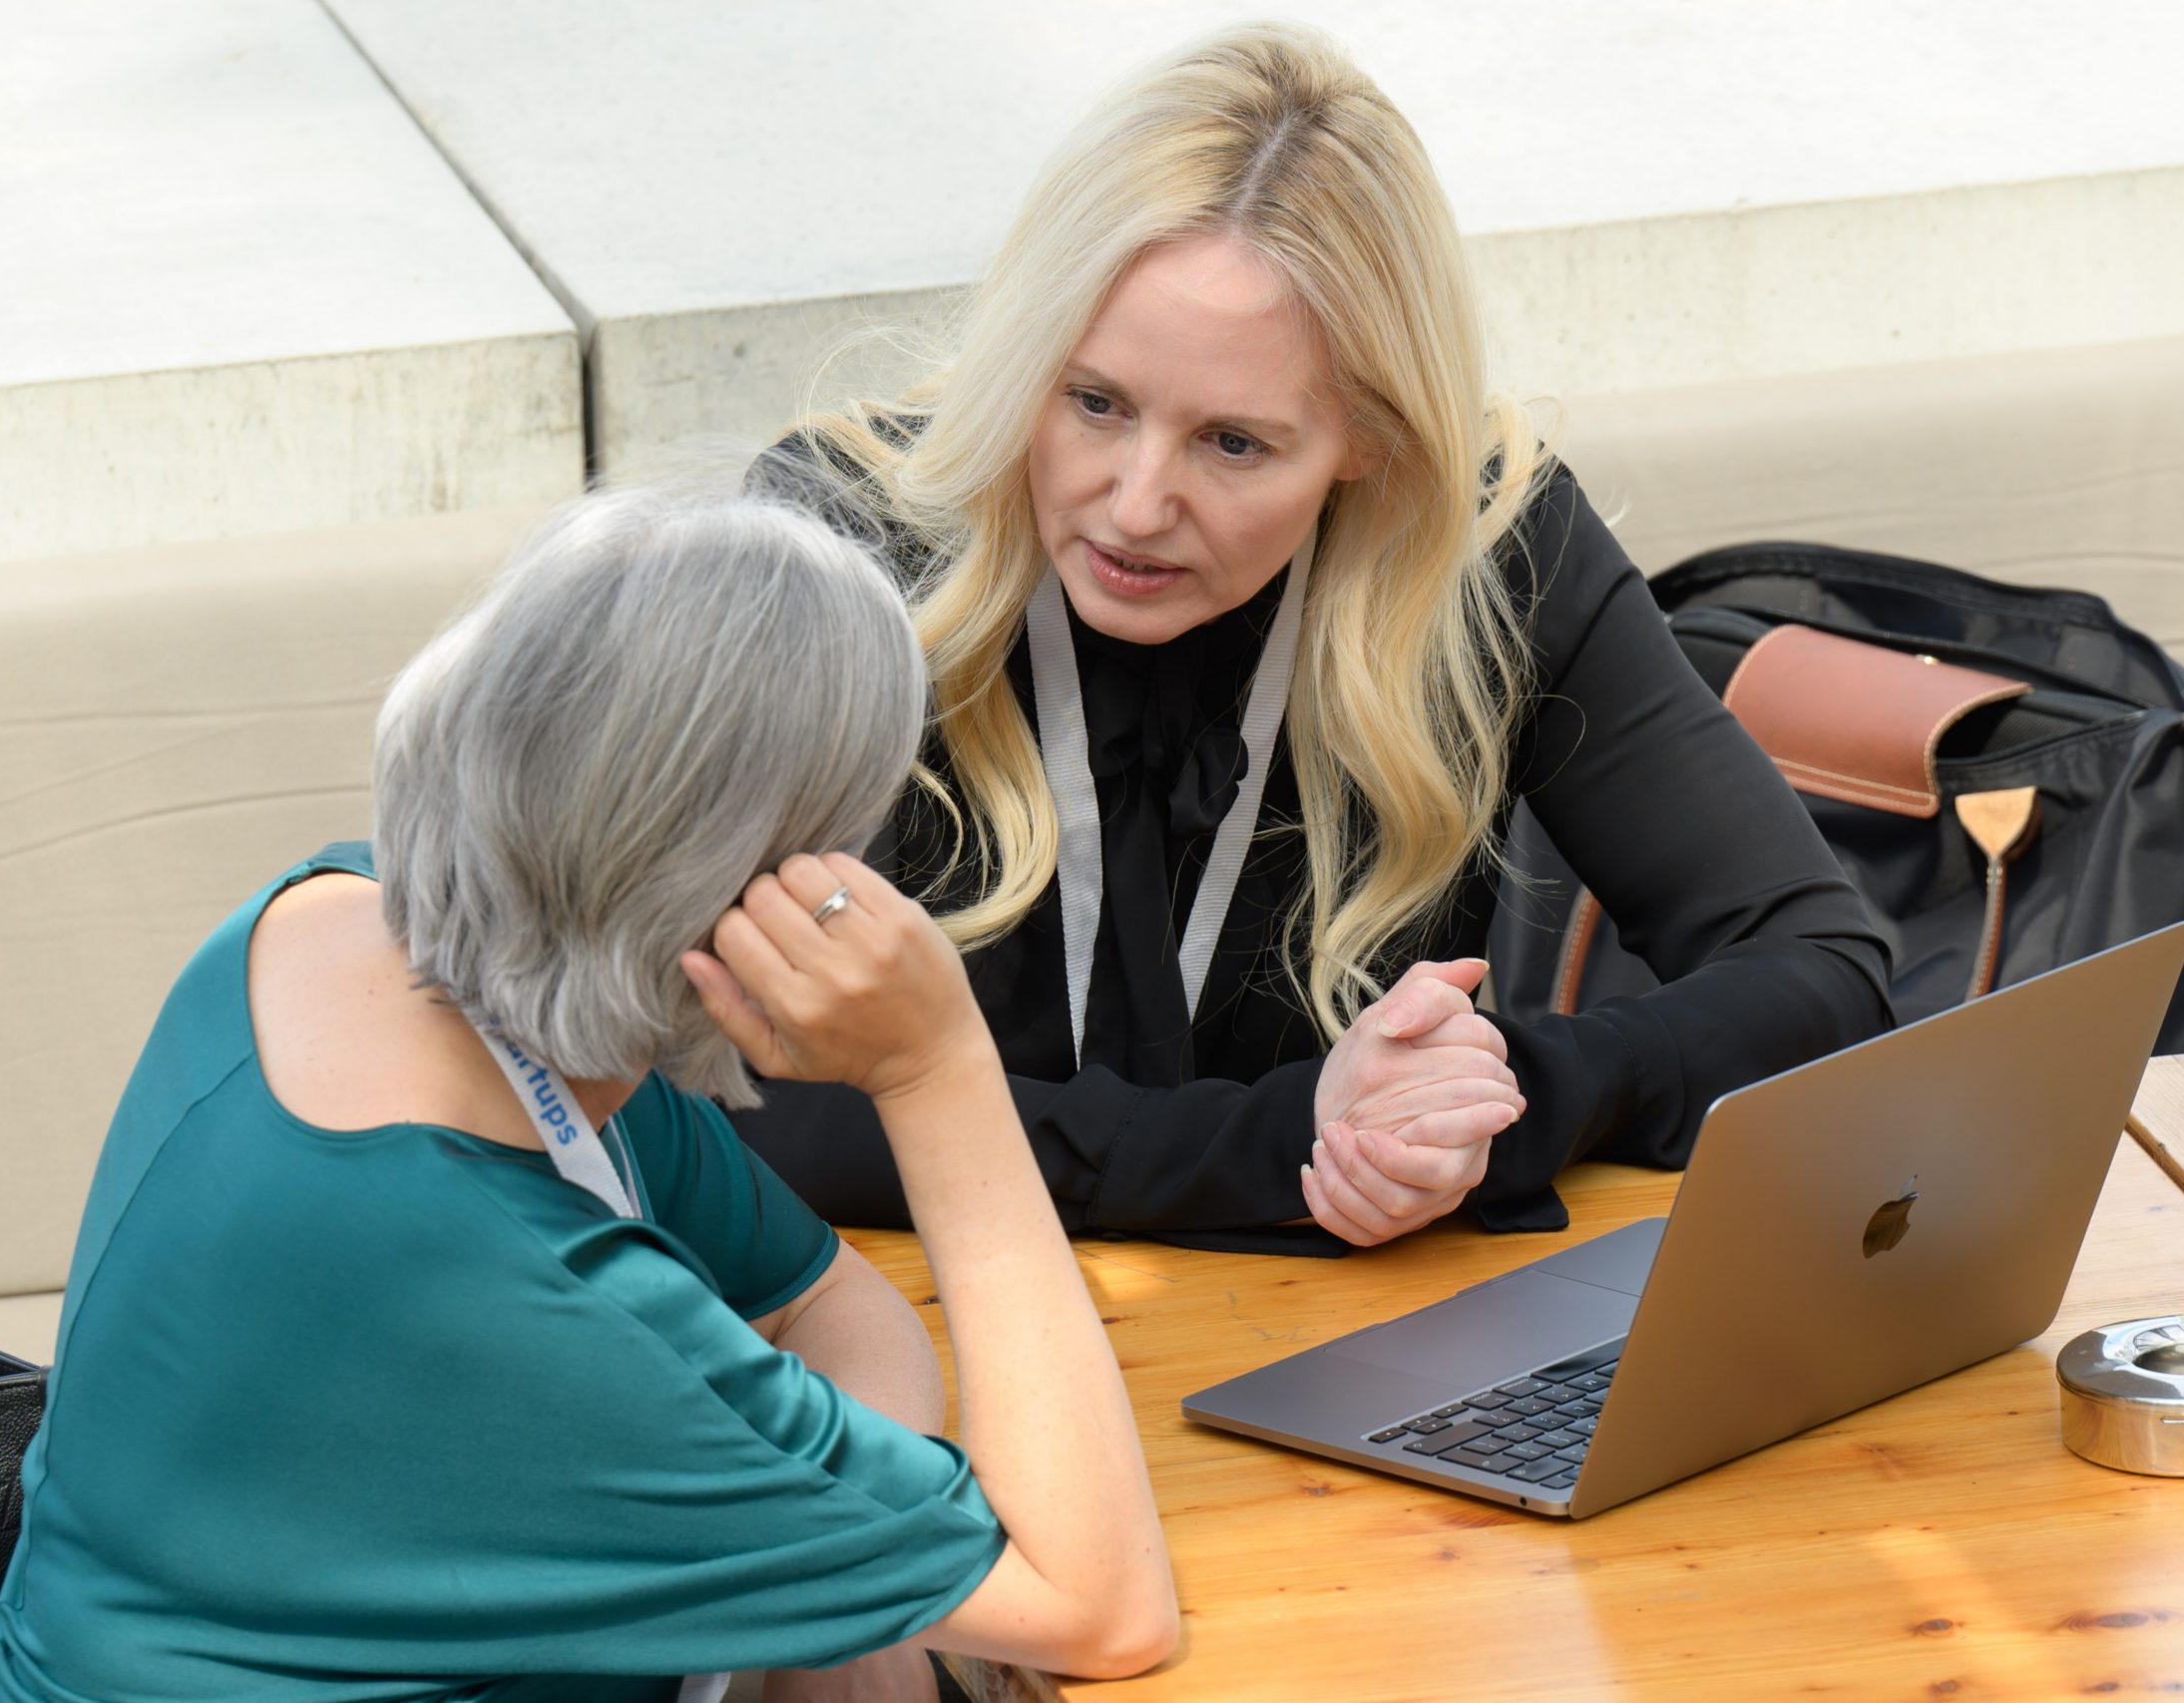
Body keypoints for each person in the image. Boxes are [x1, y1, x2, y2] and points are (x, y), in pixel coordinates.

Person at [0, 491, 1176, 1702]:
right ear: (757, 885)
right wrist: (938, 1074)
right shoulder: (500, 1274)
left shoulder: (344, 926)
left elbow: (823, 1296)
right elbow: (1100, 1603)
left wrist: (844, 1572)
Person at [738, 22, 1892, 1253]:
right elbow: (705, 1091)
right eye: (1092, 403)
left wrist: (1488, 1101)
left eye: (1233, 443)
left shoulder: (1486, 547)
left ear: (1373, 444)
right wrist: (1286, 1147)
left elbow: (1826, 977)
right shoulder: (839, 547)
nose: (1134, 504)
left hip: (1338, 1360)